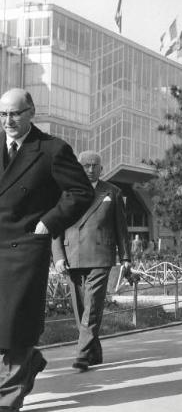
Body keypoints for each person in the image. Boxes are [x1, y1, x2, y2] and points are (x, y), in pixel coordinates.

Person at [0, 88, 94, 410]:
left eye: (14, 113)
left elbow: (81, 192)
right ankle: (30, 361)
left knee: (14, 324)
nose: (8, 121)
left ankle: (7, 399)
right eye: (2, 114)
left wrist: (50, 222)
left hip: (25, 248)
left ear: (31, 112)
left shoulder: (52, 150)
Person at [51, 151, 131, 372]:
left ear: (102, 168)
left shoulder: (112, 192)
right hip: (72, 256)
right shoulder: (65, 192)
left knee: (92, 305)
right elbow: (55, 226)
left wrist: (125, 258)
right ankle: (94, 351)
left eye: (95, 165)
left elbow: (121, 228)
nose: (90, 169)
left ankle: (82, 355)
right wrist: (58, 257)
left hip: (100, 256)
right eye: (86, 165)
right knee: (80, 308)